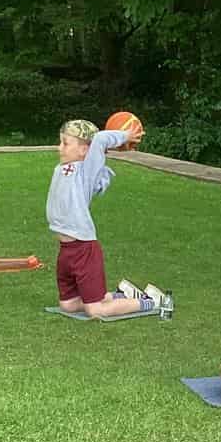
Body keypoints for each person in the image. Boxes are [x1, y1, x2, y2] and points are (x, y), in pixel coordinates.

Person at [47, 118, 170, 319]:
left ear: (84, 150)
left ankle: (153, 301)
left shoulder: (85, 171)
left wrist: (126, 136)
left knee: (95, 311)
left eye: (65, 143)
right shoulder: (62, 168)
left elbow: (100, 139)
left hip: (83, 249)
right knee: (68, 305)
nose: (59, 147)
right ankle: (122, 295)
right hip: (66, 250)